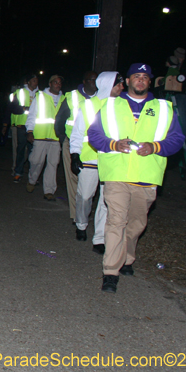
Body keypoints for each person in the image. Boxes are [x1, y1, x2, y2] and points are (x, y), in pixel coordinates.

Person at [87, 63, 185, 293]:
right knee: (115, 222)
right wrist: (113, 144)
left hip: (146, 176)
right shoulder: (110, 105)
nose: (140, 80)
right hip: (117, 174)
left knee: (136, 224)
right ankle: (110, 272)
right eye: (135, 77)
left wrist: (155, 146)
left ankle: (127, 258)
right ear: (127, 82)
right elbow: (94, 134)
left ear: (149, 82)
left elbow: (178, 139)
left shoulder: (164, 108)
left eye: (144, 77)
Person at [68, 71, 122, 249]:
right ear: (108, 85)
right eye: (118, 84)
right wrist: (74, 154)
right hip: (89, 157)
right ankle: (81, 224)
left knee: (107, 200)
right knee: (85, 196)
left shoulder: (122, 106)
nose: (122, 87)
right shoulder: (88, 105)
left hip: (112, 159)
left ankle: (100, 238)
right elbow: (77, 131)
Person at [54, 71, 98, 222]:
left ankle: (86, 211)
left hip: (95, 147)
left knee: (90, 184)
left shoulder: (103, 98)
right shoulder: (72, 96)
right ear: (84, 82)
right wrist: (63, 139)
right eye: (92, 80)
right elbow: (60, 119)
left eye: (96, 80)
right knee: (73, 179)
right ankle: (76, 215)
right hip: (73, 144)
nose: (95, 82)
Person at [25, 75, 63, 200]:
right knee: (36, 161)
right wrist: (30, 131)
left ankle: (49, 190)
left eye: (59, 83)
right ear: (50, 84)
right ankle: (32, 180)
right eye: (55, 82)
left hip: (56, 138)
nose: (58, 84)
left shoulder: (64, 99)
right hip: (40, 135)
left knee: (53, 164)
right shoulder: (40, 96)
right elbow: (32, 115)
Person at [10, 74, 39, 182]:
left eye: (37, 81)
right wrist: (26, 109)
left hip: (35, 127)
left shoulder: (40, 94)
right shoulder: (20, 92)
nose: (36, 83)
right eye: (34, 80)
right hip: (22, 126)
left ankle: (33, 176)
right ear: (28, 82)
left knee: (34, 152)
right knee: (21, 150)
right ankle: (18, 172)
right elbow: (14, 108)